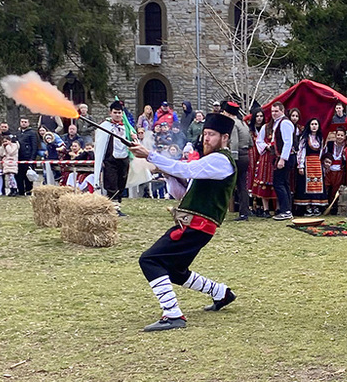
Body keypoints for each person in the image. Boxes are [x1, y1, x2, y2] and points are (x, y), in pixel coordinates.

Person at [130, 113, 238, 332]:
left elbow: (186, 170)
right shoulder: (210, 161)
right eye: (205, 134)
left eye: (212, 135)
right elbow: (184, 193)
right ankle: (221, 293)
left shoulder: (220, 160)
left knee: (149, 260)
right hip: (193, 224)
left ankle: (172, 314)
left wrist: (150, 155)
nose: (206, 139)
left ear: (225, 137)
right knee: (176, 270)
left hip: (195, 226)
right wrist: (167, 172)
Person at [94, 101, 136, 216]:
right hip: (110, 159)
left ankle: (118, 206)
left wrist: (133, 137)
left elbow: (133, 141)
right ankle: (113, 208)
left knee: (121, 183)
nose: (117, 115)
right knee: (111, 184)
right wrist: (102, 160)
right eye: (115, 112)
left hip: (123, 158)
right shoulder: (105, 127)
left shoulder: (127, 127)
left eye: (119, 113)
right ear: (110, 113)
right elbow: (100, 145)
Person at [258, 101, 296, 220]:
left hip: (285, 156)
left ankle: (285, 210)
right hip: (282, 156)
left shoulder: (285, 123)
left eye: (276, 111)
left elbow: (287, 142)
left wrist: (282, 159)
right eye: (272, 111)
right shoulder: (277, 123)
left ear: (282, 111)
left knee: (279, 183)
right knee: (283, 183)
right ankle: (287, 210)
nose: (274, 113)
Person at [221, 101, 253, 221]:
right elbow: (250, 142)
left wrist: (232, 159)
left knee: (230, 184)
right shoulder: (243, 123)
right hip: (245, 155)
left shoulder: (233, 124)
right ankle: (244, 211)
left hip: (238, 156)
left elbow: (234, 142)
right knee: (242, 186)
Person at [248, 109, 276, 217]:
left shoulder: (267, 127)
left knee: (264, 178)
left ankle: (260, 206)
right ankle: (251, 206)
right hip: (253, 154)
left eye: (261, 116)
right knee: (252, 178)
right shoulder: (250, 130)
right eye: (257, 116)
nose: (259, 118)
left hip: (263, 155)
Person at [322, 126, 347, 213]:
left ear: (344, 137)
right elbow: (325, 155)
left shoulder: (346, 146)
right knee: (325, 188)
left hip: (339, 171)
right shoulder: (330, 144)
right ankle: (324, 205)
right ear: (335, 135)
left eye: (342, 135)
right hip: (329, 170)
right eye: (338, 135)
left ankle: (333, 207)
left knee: (335, 190)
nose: (340, 137)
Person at [15, 117, 39, 196]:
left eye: (25, 122)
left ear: (28, 123)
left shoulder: (32, 133)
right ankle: (21, 191)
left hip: (28, 158)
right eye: (22, 121)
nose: (23, 123)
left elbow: (34, 146)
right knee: (19, 176)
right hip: (18, 158)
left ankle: (29, 191)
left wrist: (32, 158)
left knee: (28, 176)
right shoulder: (17, 133)